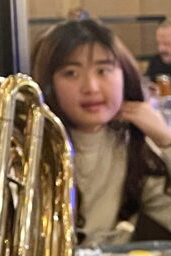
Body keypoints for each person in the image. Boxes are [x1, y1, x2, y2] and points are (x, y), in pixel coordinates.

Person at [31, 19, 171, 245]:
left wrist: (165, 139)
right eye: (71, 73)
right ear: (48, 84)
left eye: (103, 70)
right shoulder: (28, 150)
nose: (91, 87)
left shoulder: (132, 145)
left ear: (124, 75)